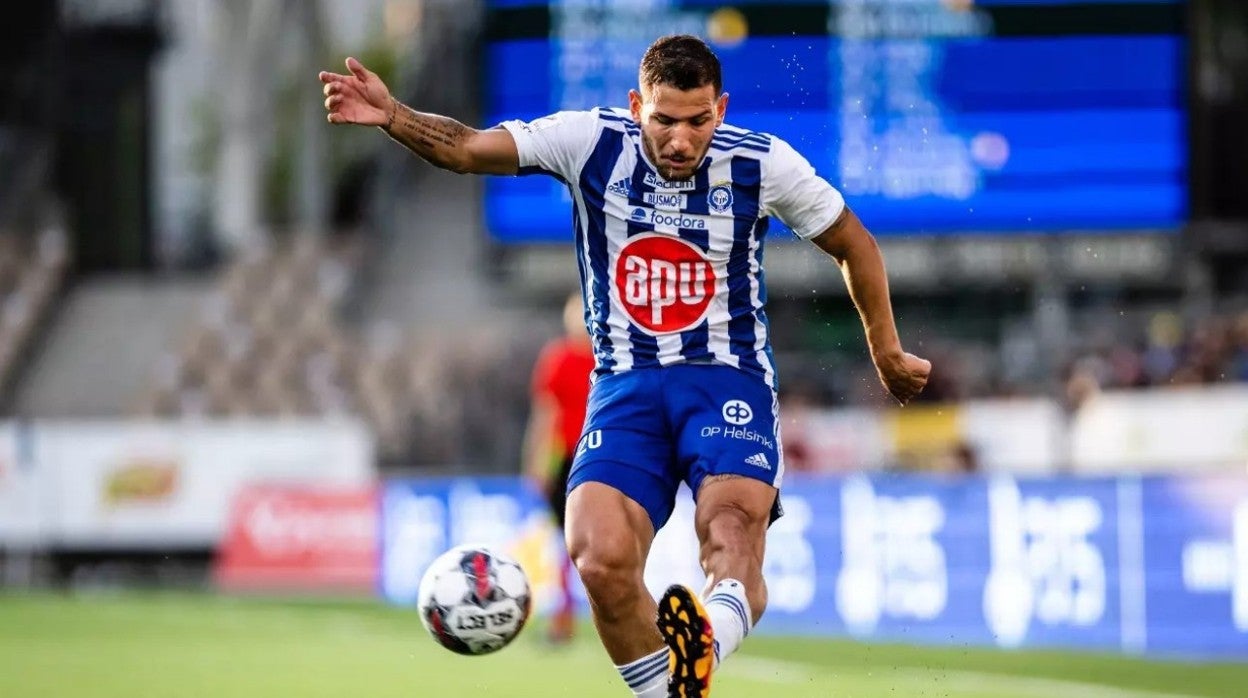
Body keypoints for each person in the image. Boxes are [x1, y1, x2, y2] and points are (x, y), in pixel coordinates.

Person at [320, 34, 930, 698]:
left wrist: (886, 350)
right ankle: (674, 690)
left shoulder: (762, 164)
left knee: (730, 530)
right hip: (625, 388)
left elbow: (854, 243)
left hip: (725, 379)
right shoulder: (587, 141)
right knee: (598, 556)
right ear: (637, 104)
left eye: (698, 121)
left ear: (720, 110)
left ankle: (706, 641)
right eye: (664, 119)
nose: (680, 139)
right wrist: (396, 116)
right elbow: (469, 148)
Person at [522, 292, 595, 644]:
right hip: (568, 460)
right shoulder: (559, 358)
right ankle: (564, 615)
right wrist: (536, 463)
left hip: (601, 457)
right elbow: (545, 413)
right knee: (565, 544)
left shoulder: (608, 357)